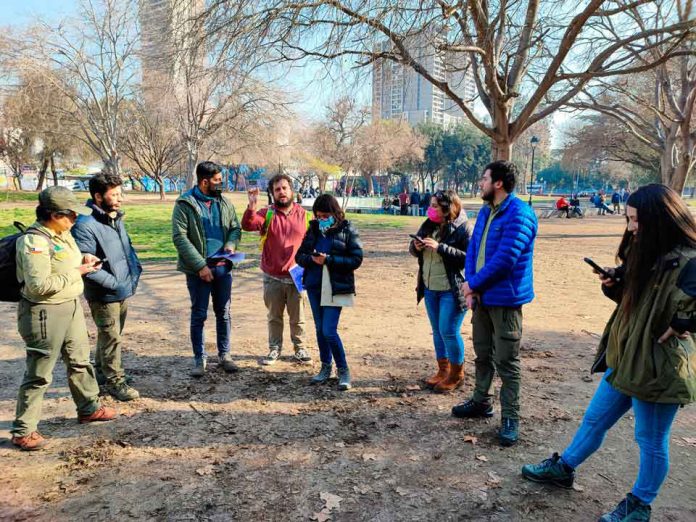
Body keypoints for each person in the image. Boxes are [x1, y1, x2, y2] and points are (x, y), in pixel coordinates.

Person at [522, 184, 696, 522]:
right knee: (594, 419)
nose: (631, 227)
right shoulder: (645, 252)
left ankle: (639, 505)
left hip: (660, 366)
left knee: (650, 440)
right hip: (625, 357)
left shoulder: (690, 260)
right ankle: (564, 468)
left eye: (635, 220)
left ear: (659, 219)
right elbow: (638, 304)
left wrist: (683, 322)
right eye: (629, 220)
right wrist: (615, 286)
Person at [11, 187, 117, 451]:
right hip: (44, 312)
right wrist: (77, 271)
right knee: (39, 373)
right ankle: (23, 430)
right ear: (53, 214)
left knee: (80, 360)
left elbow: (66, 261)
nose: (74, 219)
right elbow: (38, 286)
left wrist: (84, 259)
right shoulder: (33, 241)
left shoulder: (63, 234)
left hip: (70, 306)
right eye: (70, 215)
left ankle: (88, 407)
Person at [453, 161, 538, 447]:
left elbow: (505, 260)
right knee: (483, 354)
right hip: (482, 298)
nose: (481, 182)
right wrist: (470, 286)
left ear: (498, 183)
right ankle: (481, 401)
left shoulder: (520, 214)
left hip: (505, 300)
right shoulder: (487, 210)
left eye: (485, 178)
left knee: (507, 361)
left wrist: (473, 284)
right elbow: (473, 249)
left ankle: (510, 418)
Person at [71, 173, 142, 401]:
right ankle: (115, 381)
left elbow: (125, 250)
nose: (120, 198)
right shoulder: (85, 225)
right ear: (98, 196)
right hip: (104, 295)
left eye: (120, 193)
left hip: (121, 289)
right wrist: (114, 284)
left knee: (110, 334)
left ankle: (101, 372)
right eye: (114, 194)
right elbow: (87, 265)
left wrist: (134, 270)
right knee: (112, 338)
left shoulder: (114, 218)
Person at [172, 162, 241, 377]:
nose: (221, 183)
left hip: (223, 268)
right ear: (204, 182)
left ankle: (224, 355)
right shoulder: (185, 204)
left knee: (224, 313)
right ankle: (199, 359)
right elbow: (180, 238)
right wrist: (200, 265)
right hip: (197, 271)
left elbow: (235, 227)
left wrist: (231, 243)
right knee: (199, 314)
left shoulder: (225, 203)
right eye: (217, 180)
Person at [242, 173, 312, 366]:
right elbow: (248, 225)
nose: (281, 192)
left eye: (284, 188)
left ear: (291, 190)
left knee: (298, 317)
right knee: (274, 316)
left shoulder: (305, 216)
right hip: (272, 276)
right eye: (277, 189)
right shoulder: (267, 214)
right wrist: (252, 206)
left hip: (297, 276)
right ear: (272, 193)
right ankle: (274, 349)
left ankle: (300, 348)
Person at [295, 194, 363, 390]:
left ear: (335, 213)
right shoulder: (314, 230)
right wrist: (312, 259)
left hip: (336, 287)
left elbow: (356, 259)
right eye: (318, 216)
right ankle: (326, 366)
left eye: (325, 215)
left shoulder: (348, 230)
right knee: (318, 329)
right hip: (315, 285)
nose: (321, 219)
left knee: (329, 331)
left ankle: (343, 370)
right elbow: (300, 256)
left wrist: (329, 260)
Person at [409, 190, 472, 393]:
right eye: (431, 204)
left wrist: (441, 248)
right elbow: (412, 249)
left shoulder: (463, 227)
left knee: (449, 331)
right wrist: (417, 246)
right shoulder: (428, 224)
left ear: (448, 207)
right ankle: (443, 370)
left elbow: (469, 258)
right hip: (429, 288)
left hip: (451, 290)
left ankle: (456, 375)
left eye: (435, 205)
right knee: (437, 331)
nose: (431, 209)